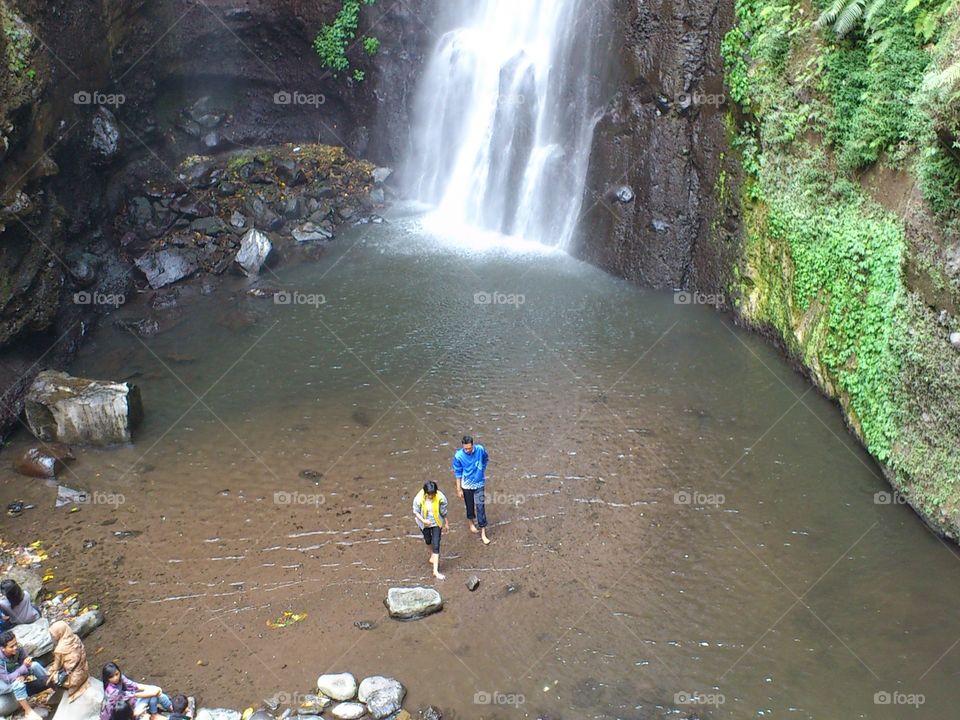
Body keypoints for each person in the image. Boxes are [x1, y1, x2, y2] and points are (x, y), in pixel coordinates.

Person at [0, 629, 49, 720]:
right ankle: (28, 711)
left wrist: (24, 674)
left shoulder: (18, 648)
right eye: (11, 646)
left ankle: (53, 683)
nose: (15, 647)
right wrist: (23, 668)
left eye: (15, 644)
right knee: (17, 683)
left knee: (35, 665)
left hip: (16, 673)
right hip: (3, 683)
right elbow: (7, 678)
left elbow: (27, 664)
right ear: (3, 648)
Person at [452, 435, 491, 545]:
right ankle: (471, 523)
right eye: (465, 449)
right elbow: (458, 473)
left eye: (469, 448)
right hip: (466, 485)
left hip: (479, 483)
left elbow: (486, 458)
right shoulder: (458, 456)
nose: (468, 450)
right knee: (469, 506)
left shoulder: (480, 449)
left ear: (473, 445)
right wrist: (458, 489)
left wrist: (482, 469)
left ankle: (483, 532)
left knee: (480, 507)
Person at [100, 662, 172, 720]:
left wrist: (154, 688)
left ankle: (162, 711)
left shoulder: (121, 678)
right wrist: (154, 691)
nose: (115, 678)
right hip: (123, 714)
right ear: (107, 678)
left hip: (131, 705)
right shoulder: (112, 692)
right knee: (153, 694)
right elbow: (134, 695)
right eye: (111, 677)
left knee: (155, 693)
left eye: (116, 674)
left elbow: (134, 686)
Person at [413, 481, 449, 580]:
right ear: (425, 493)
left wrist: (446, 522)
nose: (431, 496)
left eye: (433, 494)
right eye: (429, 495)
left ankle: (435, 571)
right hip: (424, 523)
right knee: (428, 540)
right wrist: (424, 520)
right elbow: (416, 512)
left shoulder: (441, 498)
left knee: (436, 543)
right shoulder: (418, 499)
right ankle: (432, 554)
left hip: (436, 522)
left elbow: (443, 511)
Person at [46, 621, 90, 701]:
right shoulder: (76, 638)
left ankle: (61, 695)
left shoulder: (60, 649)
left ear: (59, 633)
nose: (52, 636)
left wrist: (49, 673)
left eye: (53, 634)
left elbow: (56, 667)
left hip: (75, 680)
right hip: (85, 671)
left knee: (50, 677)